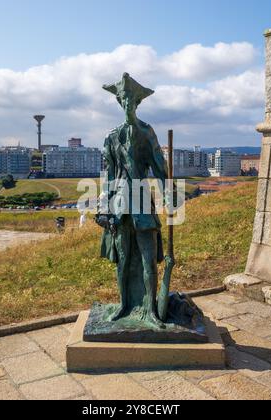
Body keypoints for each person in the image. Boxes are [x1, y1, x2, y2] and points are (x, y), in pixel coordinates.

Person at [96, 73, 169, 329]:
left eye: (130, 99)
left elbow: (160, 168)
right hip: (119, 206)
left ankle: (151, 310)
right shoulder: (112, 136)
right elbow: (108, 175)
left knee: (149, 259)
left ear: (136, 102)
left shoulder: (147, 132)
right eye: (123, 99)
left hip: (141, 203)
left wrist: (167, 193)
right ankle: (124, 304)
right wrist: (103, 206)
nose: (127, 103)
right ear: (119, 101)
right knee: (123, 259)